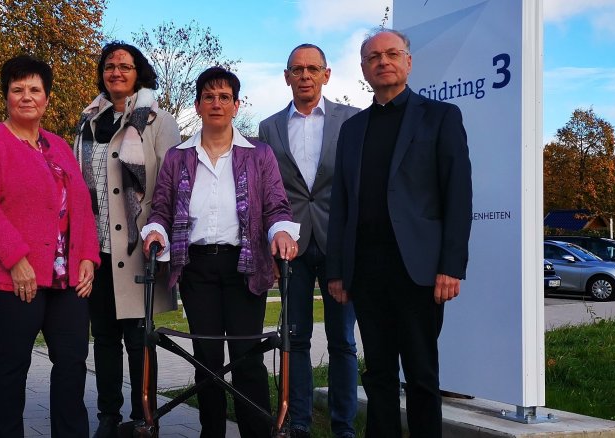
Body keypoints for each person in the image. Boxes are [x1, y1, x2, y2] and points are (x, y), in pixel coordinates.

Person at [326, 29, 472, 437]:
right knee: (378, 373)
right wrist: (338, 270)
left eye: (392, 53)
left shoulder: (440, 117)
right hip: (367, 270)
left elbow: (458, 195)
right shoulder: (353, 129)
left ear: (408, 62)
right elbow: (341, 205)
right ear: (363, 69)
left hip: (419, 270)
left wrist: (451, 265)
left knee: (422, 373)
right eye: (374, 57)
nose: (383, 61)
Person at [142, 67, 300, 438]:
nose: (217, 103)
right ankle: (210, 432)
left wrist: (280, 233)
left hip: (245, 266)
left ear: (236, 104)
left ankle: (256, 433)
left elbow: (277, 206)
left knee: (247, 360)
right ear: (197, 106)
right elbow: (161, 208)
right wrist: (155, 232)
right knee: (208, 361)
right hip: (197, 268)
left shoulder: (259, 155)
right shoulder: (178, 157)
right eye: (209, 97)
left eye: (224, 97)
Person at [0, 55, 100, 437]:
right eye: (17, 89)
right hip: (10, 275)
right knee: (12, 362)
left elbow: (82, 207)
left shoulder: (58, 145)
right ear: (6, 96)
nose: (26, 96)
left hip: (65, 276)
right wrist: (16, 259)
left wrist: (88, 256)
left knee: (73, 360)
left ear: (46, 98)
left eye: (34, 90)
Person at [72, 41, 181, 437]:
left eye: (125, 66)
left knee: (139, 338)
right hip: (96, 248)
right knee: (103, 338)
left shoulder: (158, 121)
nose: (116, 72)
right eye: (110, 66)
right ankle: (108, 416)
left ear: (139, 73)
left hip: (139, 246)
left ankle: (143, 416)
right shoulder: (87, 120)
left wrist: (160, 234)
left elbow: (170, 186)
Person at [257, 43, 360, 438]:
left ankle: (343, 426)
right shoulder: (268, 128)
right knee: (294, 338)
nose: (304, 76)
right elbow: (271, 190)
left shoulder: (351, 120)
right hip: (292, 247)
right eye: (297, 69)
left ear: (326, 74)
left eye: (312, 69)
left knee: (343, 342)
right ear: (286, 77)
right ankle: (298, 421)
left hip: (338, 246)